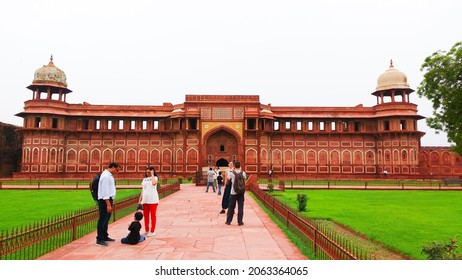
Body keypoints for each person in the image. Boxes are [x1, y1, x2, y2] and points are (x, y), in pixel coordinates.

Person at [96, 162, 120, 246]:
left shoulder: (109, 175)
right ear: (113, 167)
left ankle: (104, 236)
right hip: (104, 200)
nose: (117, 172)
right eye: (117, 170)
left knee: (106, 219)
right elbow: (105, 191)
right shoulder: (106, 176)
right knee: (103, 219)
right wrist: (108, 204)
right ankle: (100, 239)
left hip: (108, 200)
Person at [139, 166, 159, 237]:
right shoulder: (144, 179)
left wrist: (152, 175)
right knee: (146, 216)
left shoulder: (155, 178)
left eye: (149, 171)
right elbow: (143, 190)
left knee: (153, 216)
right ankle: (146, 230)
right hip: (145, 200)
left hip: (153, 200)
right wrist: (140, 200)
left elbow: (154, 183)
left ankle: (152, 231)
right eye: (147, 172)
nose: (148, 173)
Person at [225, 161, 246, 226]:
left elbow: (228, 179)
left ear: (234, 166)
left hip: (233, 192)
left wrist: (229, 172)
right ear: (240, 166)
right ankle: (240, 222)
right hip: (241, 192)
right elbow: (244, 179)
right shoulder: (243, 173)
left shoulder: (231, 173)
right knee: (240, 207)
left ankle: (228, 221)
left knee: (231, 207)